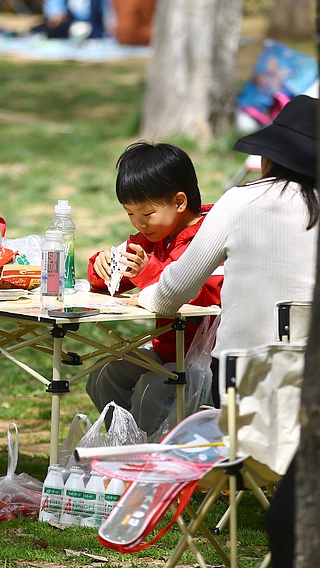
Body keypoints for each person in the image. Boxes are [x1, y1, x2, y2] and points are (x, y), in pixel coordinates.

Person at [134, 96, 319, 406]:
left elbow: (172, 294)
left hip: (241, 374)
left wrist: (145, 294)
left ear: (268, 158)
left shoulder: (239, 202)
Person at [86, 142, 223, 435]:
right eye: (130, 215)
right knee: (104, 374)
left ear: (179, 202)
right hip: (166, 350)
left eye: (146, 214)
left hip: (204, 357)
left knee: (152, 386)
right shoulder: (155, 237)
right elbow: (118, 278)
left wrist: (149, 273)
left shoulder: (210, 237)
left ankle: (152, 457)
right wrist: (102, 266)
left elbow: (206, 298)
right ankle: (126, 442)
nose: (139, 224)